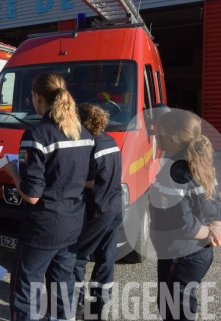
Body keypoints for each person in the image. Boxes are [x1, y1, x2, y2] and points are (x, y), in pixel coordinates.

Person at [4, 72, 96, 321]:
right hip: (74, 225)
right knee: (62, 286)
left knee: (26, 290)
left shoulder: (36, 135)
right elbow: (90, 180)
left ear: (36, 97)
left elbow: (32, 195)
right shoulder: (84, 135)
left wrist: (13, 173)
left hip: (42, 228)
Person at [149, 109, 221, 321]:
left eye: (158, 132)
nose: (154, 136)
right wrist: (215, 228)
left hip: (179, 255)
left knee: (173, 310)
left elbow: (182, 224)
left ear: (172, 139)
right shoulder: (201, 165)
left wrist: (209, 232)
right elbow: (215, 203)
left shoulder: (173, 173)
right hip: (200, 254)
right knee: (183, 304)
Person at [73, 103, 123, 320]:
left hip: (98, 210)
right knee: (106, 257)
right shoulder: (110, 140)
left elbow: (89, 181)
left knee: (77, 257)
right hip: (115, 207)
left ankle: (76, 302)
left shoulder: (90, 145)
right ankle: (99, 305)